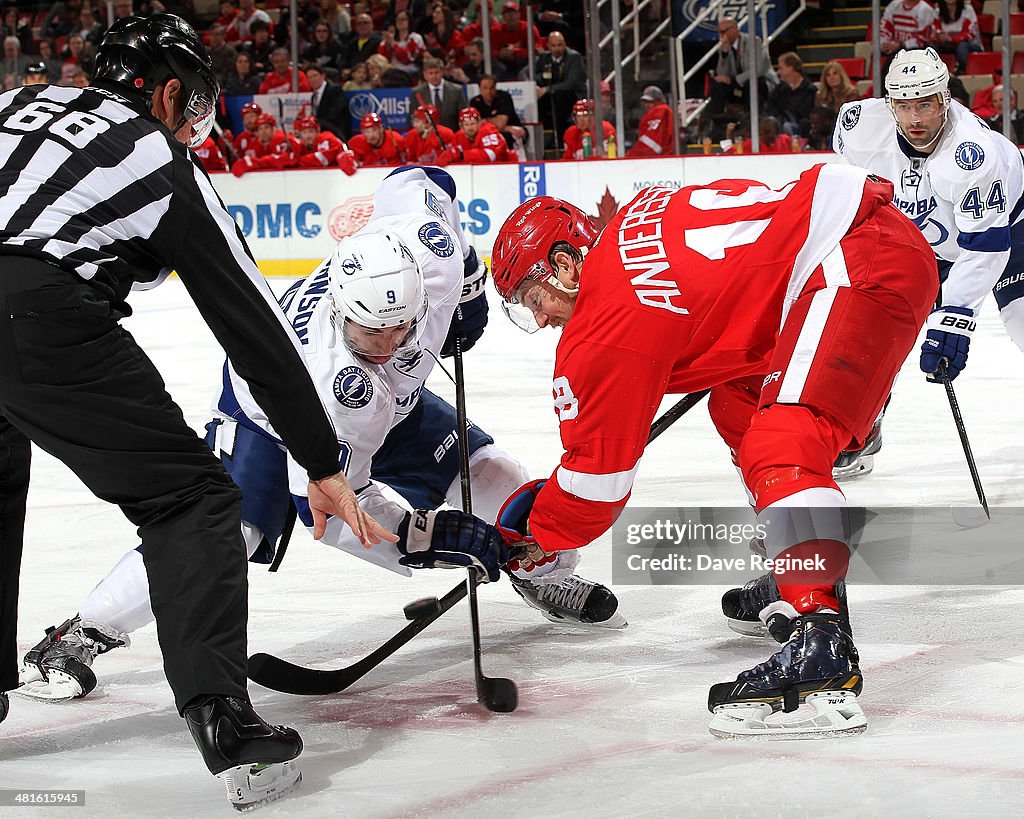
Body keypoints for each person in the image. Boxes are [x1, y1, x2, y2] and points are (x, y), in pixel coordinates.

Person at [18, 166, 623, 702]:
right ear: (341, 310)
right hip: (275, 420)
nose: (386, 346)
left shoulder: (426, 252)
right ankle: (82, 633)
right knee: (228, 532)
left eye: (399, 331)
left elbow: (419, 180)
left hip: (399, 405)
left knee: (492, 473)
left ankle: (542, 574)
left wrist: (466, 283)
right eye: (369, 336)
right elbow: (336, 510)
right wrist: (427, 537)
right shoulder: (341, 385)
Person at [0, 12, 390, 812]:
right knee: (195, 501)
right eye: (196, 103)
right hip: (37, 313)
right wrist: (320, 461)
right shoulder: (155, 151)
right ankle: (225, 722)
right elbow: (255, 326)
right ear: (170, 92)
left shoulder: (13, 104)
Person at [490, 162, 938, 738]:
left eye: (533, 295)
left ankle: (821, 654)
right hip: (857, 247)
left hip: (852, 266)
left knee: (783, 448)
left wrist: (532, 533)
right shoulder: (634, 215)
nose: (540, 316)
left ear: (564, 263)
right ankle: (794, 566)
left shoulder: (600, 327)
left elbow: (594, 487)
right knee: (739, 407)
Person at [834, 48, 1024, 473]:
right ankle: (864, 427)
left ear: (945, 100)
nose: (915, 118)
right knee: (876, 331)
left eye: (925, 104)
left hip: (1010, 223)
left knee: (1022, 321)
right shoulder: (859, 126)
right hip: (928, 240)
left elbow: (985, 247)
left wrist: (954, 317)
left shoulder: (971, 152)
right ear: (890, 105)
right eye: (904, 106)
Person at [704, 16, 776, 141]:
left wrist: (734, 80)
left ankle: (749, 125)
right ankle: (718, 124)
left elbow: (758, 69)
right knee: (718, 85)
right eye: (719, 32)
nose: (721, 35)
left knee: (751, 83)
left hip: (760, 82)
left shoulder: (754, 41)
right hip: (738, 84)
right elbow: (722, 74)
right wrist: (725, 53)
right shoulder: (724, 46)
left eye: (724, 31)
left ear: (735, 29)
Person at [534, 30, 585, 153]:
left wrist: (547, 89)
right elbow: (524, 73)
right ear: (548, 46)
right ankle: (540, 141)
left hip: (571, 95)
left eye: (560, 45)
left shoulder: (574, 57)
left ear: (565, 44)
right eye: (553, 45)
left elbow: (571, 83)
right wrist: (533, 85)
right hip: (550, 96)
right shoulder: (544, 58)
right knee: (538, 100)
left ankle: (560, 140)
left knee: (560, 98)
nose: (557, 49)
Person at [764, 52, 816, 137]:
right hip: (778, 125)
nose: (778, 72)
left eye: (781, 68)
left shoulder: (810, 90)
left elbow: (805, 115)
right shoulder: (779, 90)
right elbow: (769, 108)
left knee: (787, 126)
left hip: (799, 129)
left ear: (791, 68)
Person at [409, 56, 468, 130]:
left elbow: (464, 116)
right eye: (430, 73)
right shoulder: (417, 93)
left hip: (452, 135)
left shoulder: (456, 90)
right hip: (428, 137)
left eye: (436, 72)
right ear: (425, 74)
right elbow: (411, 119)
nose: (434, 76)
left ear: (442, 72)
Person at [469, 73, 525, 150]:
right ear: (480, 89)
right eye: (485, 88)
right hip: (495, 133)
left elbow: (500, 123)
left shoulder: (504, 97)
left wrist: (485, 121)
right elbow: (475, 127)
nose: (488, 91)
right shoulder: (475, 101)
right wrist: (507, 128)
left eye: (491, 88)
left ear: (495, 87)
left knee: (506, 137)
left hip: (511, 135)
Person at [439, 106, 511, 164]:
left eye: (472, 123)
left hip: (505, 169)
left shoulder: (488, 130)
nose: (470, 127)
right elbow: (451, 156)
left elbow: (490, 155)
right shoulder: (459, 136)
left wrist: (461, 155)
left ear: (479, 123)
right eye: (466, 125)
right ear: (461, 127)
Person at [231, 111, 294, 175]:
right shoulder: (260, 143)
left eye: (266, 127)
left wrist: (255, 162)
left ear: (273, 128)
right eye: (260, 128)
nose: (263, 132)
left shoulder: (281, 138)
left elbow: (281, 160)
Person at [931, 0, 982, 74]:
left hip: (969, 45)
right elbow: (934, 31)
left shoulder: (968, 10)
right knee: (931, 48)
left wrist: (951, 38)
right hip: (947, 44)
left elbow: (970, 34)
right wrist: (939, 36)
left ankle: (963, 73)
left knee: (962, 47)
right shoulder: (937, 12)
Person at [287, 113, 353, 167]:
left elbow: (321, 160)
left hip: (343, 176)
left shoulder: (326, 138)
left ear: (317, 132)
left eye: (311, 131)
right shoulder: (303, 145)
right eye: (304, 132)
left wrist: (297, 161)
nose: (308, 135)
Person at [626, 85, 674, 157]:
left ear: (659, 101)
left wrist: (630, 155)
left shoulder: (662, 111)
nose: (647, 105)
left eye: (650, 102)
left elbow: (652, 146)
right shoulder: (652, 114)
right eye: (645, 102)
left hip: (660, 159)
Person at [308, 63, 350, 140]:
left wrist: (316, 122)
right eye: (309, 77)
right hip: (321, 135)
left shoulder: (335, 90)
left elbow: (335, 114)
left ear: (323, 76)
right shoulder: (314, 96)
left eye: (315, 75)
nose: (312, 79)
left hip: (336, 134)